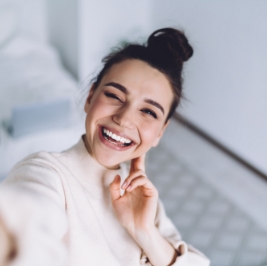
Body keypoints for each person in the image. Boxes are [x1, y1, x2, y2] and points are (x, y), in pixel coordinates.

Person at [0, 28, 210, 266]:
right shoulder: (46, 173)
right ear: (90, 97)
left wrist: (145, 232)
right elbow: (28, 218)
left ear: (160, 131)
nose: (125, 119)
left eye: (148, 111)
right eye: (115, 96)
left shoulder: (142, 196)